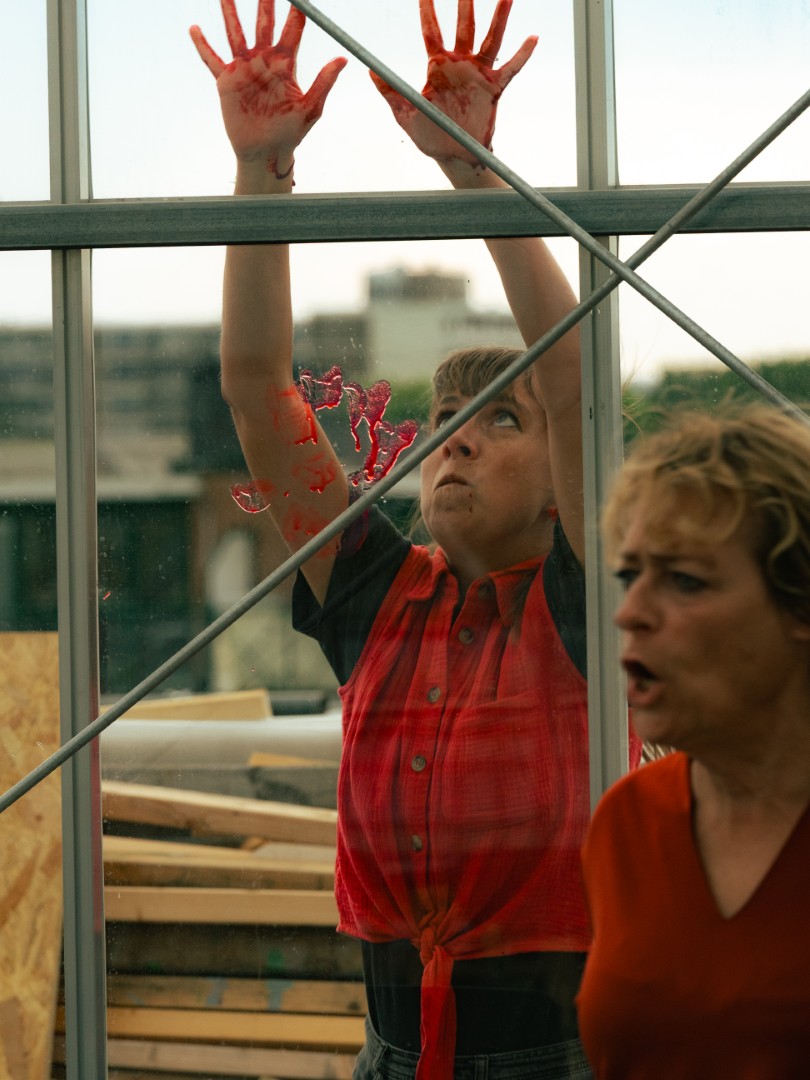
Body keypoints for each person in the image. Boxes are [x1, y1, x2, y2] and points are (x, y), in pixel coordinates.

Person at [191, 2, 621, 1076]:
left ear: (564, 488)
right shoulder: (377, 592)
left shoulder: (579, 603)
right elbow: (257, 390)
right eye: (445, 424)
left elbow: (575, 373)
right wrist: (261, 177)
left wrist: (473, 174)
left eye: (502, 424)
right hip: (389, 1051)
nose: (454, 443)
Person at [577, 404, 810, 1079]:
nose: (629, 613)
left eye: (684, 580)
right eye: (630, 576)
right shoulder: (625, 822)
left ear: (799, 603)